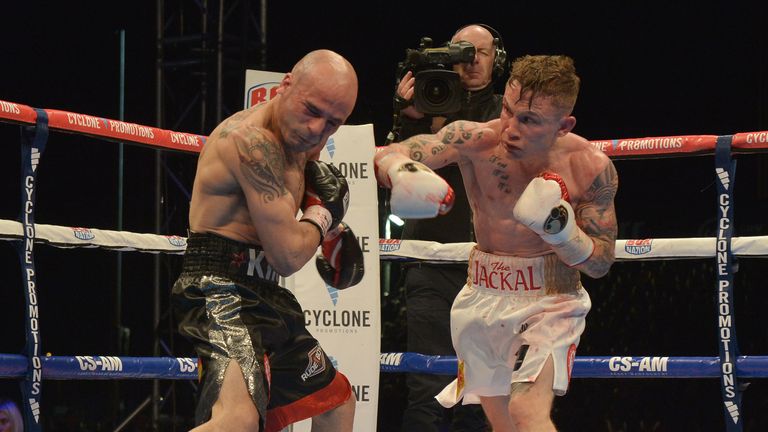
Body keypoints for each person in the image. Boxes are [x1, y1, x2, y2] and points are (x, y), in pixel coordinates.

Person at [375, 55, 618, 431]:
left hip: (552, 299)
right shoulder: (477, 140)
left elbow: (600, 263)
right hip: (483, 295)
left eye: (529, 120)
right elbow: (394, 151)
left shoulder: (589, 165)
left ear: (563, 125)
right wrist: (399, 170)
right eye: (507, 109)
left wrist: (561, 231)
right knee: (504, 424)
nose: (510, 128)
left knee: (527, 412)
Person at [172, 49, 364, 432]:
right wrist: (322, 217)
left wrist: (331, 237)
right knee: (238, 419)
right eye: (312, 111)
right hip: (220, 288)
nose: (317, 130)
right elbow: (289, 255)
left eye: (333, 123)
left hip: (266, 294)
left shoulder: (301, 140)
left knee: (337, 400)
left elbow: (289, 224)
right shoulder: (250, 143)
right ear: (286, 85)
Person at [390, 23, 508, 432]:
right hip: (428, 261)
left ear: (499, 61)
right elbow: (399, 167)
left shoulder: (505, 113)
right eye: (463, 51)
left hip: (488, 269)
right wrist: (408, 119)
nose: (472, 60)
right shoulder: (428, 104)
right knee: (427, 386)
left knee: (483, 393)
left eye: (482, 52)